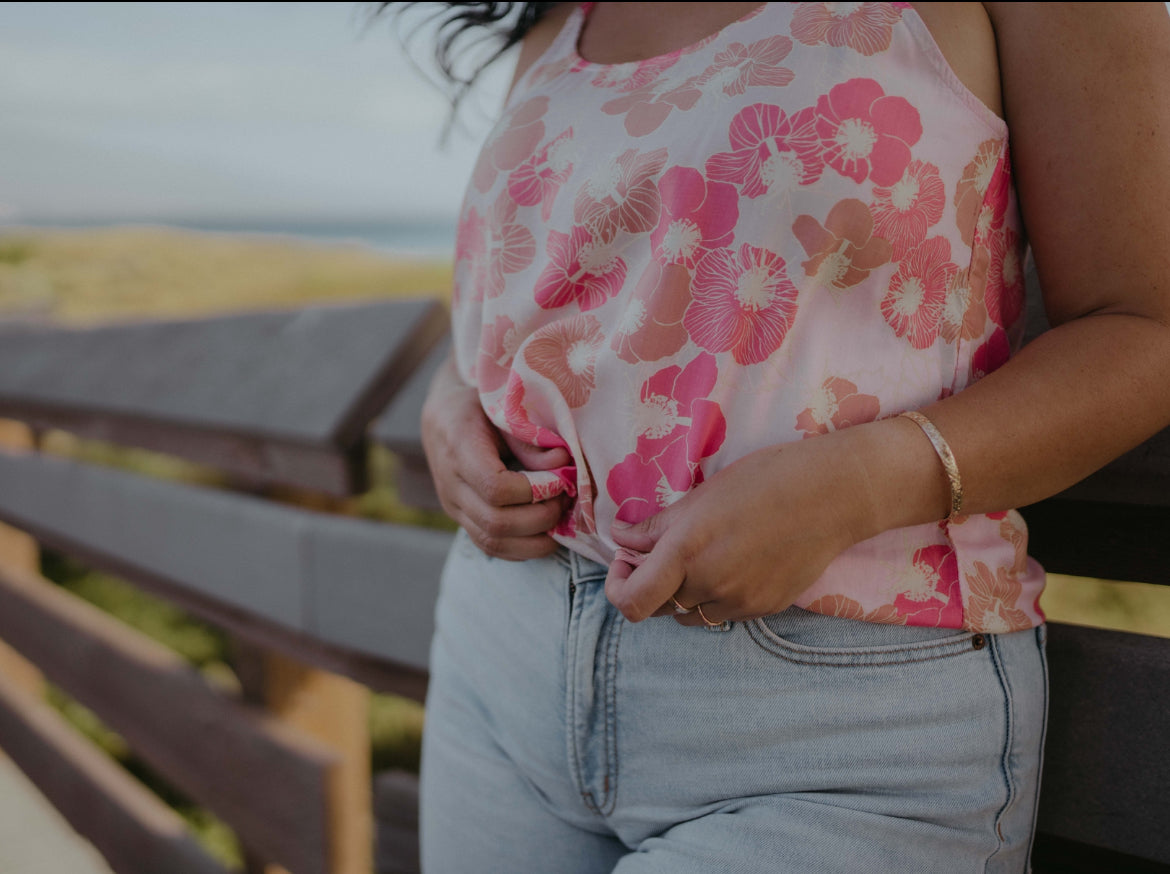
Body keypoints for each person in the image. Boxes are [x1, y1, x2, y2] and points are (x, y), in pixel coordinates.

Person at [408, 3, 1170, 871]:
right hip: (498, 653)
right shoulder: (557, 18)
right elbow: (535, 292)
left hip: (834, 725)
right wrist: (448, 402)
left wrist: (861, 484)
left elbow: (1145, 327)